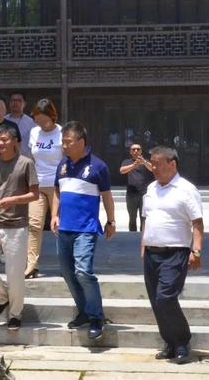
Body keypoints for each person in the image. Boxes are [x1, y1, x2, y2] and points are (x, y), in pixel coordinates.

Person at [51, 121, 115, 341]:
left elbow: (107, 196)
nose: (64, 146)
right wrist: (54, 215)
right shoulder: (62, 164)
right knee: (68, 273)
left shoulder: (98, 166)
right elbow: (57, 192)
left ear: (81, 142)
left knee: (83, 271)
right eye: (62, 142)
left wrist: (111, 221)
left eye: (68, 142)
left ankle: (96, 317)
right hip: (64, 228)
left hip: (85, 229)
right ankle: (84, 311)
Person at [142, 146, 204, 365]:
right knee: (155, 300)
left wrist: (196, 250)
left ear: (172, 164)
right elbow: (146, 219)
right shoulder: (151, 188)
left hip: (176, 252)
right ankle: (169, 342)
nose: (153, 168)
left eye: (157, 164)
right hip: (151, 252)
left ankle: (182, 341)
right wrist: (143, 244)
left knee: (165, 297)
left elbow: (197, 223)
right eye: (152, 163)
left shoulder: (186, 189)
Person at [0, 124, 38, 331]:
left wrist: (12, 200)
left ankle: (15, 315)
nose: (0, 143)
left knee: (15, 276)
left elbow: (34, 194)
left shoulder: (26, 163)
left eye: (4, 140)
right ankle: (3, 298)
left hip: (16, 227)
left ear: (14, 141)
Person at [26, 98, 62, 278]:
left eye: (43, 120)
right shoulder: (34, 132)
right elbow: (32, 157)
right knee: (34, 224)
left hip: (57, 186)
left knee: (58, 225)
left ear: (52, 116)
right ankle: (32, 265)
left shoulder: (62, 133)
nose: (40, 124)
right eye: (37, 120)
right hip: (38, 185)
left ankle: (66, 264)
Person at [119, 142, 154, 232]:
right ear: (130, 152)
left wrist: (144, 162)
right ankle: (132, 236)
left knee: (144, 218)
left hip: (144, 194)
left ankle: (143, 236)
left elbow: (153, 169)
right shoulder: (126, 162)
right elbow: (122, 171)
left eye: (138, 149)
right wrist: (134, 165)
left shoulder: (146, 161)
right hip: (131, 194)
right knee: (132, 218)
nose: (136, 151)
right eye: (133, 149)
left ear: (141, 151)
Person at [5, 92, 36, 158]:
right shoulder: (3, 120)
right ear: (9, 103)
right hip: (6, 159)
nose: (15, 103)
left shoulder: (31, 123)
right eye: (13, 100)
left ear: (24, 104)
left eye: (19, 100)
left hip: (25, 160)